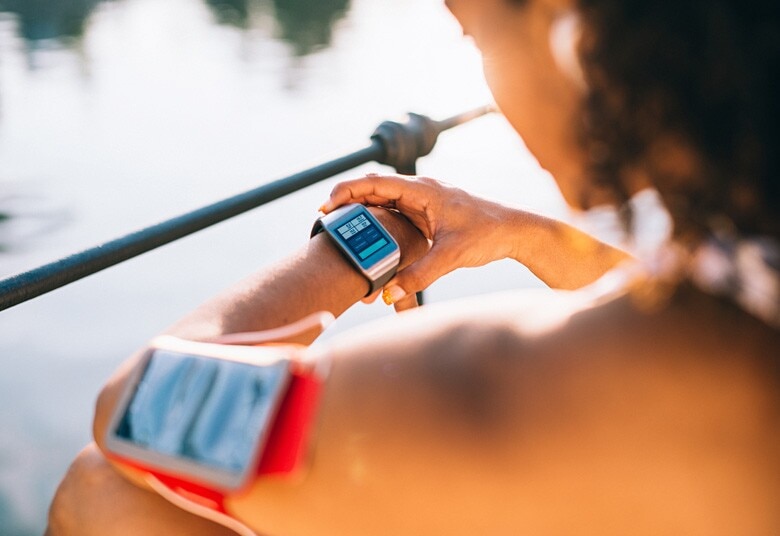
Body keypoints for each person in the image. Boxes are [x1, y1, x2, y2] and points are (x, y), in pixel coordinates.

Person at [47, 0, 779, 534]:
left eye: (477, 34)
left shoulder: (520, 381)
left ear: (568, 28)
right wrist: (521, 234)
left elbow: (142, 409)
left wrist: (353, 249)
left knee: (105, 494)